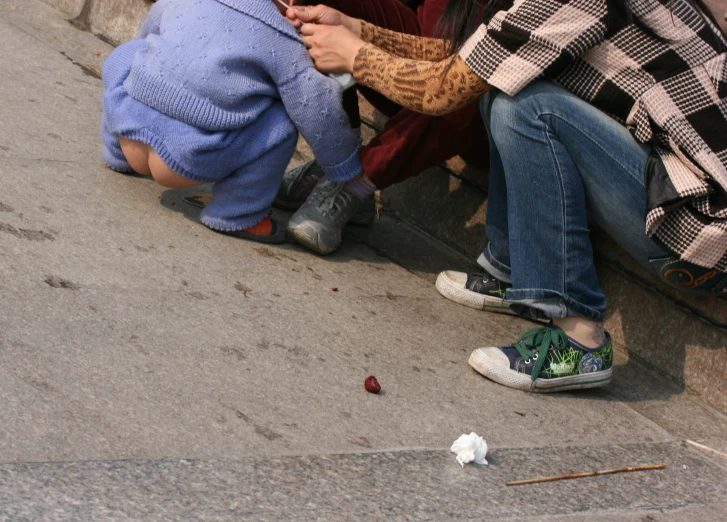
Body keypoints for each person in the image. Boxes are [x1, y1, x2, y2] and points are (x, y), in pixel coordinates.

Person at [286, 0, 727, 392]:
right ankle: (516, 268)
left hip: (700, 229)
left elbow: (442, 89)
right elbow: (470, 59)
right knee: (504, 86)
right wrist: (356, 29)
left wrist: (357, 58)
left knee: (527, 107)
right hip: (675, 195)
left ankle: (579, 340)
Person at [100, 0, 370, 243]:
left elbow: (151, 29)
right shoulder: (285, 40)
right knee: (284, 119)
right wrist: (345, 166)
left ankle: (116, 154)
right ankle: (237, 213)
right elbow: (318, 111)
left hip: (129, 129)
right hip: (188, 160)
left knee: (134, 54)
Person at [276, 0, 490, 255]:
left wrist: (359, 51)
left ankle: (357, 183)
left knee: (476, 75)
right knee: (315, 6)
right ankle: (340, 159)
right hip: (423, 48)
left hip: (483, 112)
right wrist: (354, 28)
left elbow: (468, 65)